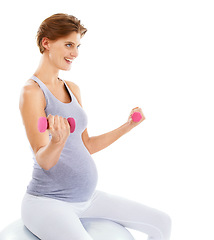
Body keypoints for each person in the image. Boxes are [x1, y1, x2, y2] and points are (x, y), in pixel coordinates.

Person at [19, 13, 171, 240]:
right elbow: (45, 160)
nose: (75, 53)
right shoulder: (32, 92)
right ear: (46, 42)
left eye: (78, 46)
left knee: (161, 222)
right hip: (48, 202)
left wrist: (128, 125)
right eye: (69, 45)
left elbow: (86, 144)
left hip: (87, 199)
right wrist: (58, 141)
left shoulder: (72, 88)